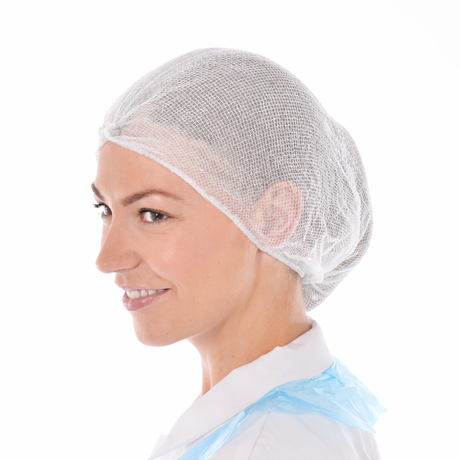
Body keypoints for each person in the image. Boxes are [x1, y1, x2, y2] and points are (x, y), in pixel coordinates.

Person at [92, 48, 385, 459]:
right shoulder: (272, 415)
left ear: (276, 217)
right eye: (105, 209)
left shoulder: (271, 446)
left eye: (153, 214)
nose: (107, 259)